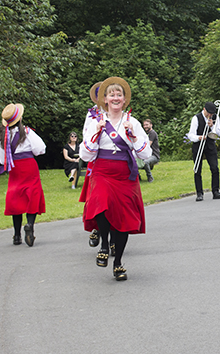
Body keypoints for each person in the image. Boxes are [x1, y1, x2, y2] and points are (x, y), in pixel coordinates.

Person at [80, 77, 151, 281]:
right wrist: (96, 133)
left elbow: (145, 155)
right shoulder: (95, 121)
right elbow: (85, 155)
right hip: (102, 171)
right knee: (100, 203)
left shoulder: (133, 122)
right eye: (112, 94)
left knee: (124, 218)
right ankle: (103, 244)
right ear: (105, 99)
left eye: (119, 94)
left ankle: (118, 262)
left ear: (124, 99)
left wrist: (134, 137)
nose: (116, 97)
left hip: (125, 175)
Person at [0, 103, 46, 247]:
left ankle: (16, 235)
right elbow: (40, 149)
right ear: (19, 118)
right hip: (29, 166)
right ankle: (30, 224)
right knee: (32, 194)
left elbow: (1, 159)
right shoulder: (27, 132)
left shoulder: (3, 137)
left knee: (15, 197)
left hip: (14, 169)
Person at [79, 81, 105, 249]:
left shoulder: (120, 114)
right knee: (94, 197)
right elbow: (86, 136)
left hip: (115, 159)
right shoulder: (92, 115)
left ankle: (113, 235)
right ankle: (96, 227)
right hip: (96, 159)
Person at [188, 102, 220, 201]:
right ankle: (199, 193)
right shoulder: (196, 118)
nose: (210, 116)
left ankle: (216, 191)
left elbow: (218, 133)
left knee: (214, 167)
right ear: (204, 109)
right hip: (198, 144)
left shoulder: (215, 117)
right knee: (197, 169)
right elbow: (190, 135)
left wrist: (212, 126)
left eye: (212, 114)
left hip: (210, 144)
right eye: (208, 113)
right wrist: (198, 137)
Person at [142, 119, 160, 183]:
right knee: (133, 161)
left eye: (147, 125)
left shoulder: (152, 133)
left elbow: (148, 145)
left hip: (154, 155)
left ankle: (150, 177)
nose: (145, 126)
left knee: (145, 162)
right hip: (147, 155)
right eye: (144, 125)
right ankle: (137, 177)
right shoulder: (145, 134)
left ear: (151, 125)